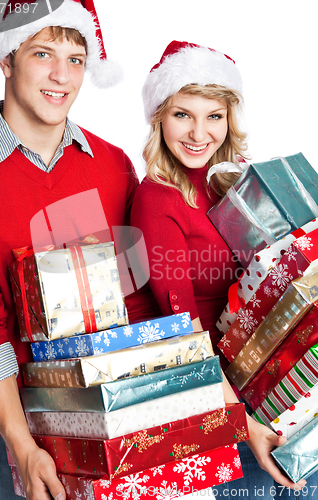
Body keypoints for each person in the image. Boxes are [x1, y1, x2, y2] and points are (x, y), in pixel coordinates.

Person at [0, 1, 160, 499]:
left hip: (114, 416)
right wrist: (22, 446)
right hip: (8, 432)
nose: (62, 76)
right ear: (7, 60)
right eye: (43, 54)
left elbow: (139, 298)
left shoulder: (112, 166)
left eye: (76, 59)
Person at [131, 40, 312, 498]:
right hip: (228, 402)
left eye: (213, 115)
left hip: (290, 385)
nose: (198, 133)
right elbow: (183, 332)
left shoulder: (243, 180)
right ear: (159, 118)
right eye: (182, 114)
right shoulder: (156, 199)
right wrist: (243, 423)